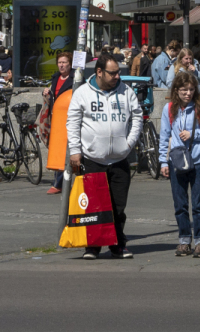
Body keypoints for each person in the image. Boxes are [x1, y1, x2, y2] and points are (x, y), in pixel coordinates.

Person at [66, 50, 142, 260]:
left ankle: (117, 245)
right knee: (94, 206)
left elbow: (137, 117)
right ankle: (93, 247)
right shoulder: (83, 93)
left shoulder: (126, 92)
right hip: (93, 159)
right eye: (113, 73)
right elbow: (72, 123)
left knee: (118, 206)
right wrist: (75, 151)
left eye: (118, 72)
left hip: (119, 159)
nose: (118, 76)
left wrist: (129, 143)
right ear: (99, 72)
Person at [159, 70, 200, 256]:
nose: (187, 93)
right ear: (176, 90)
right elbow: (164, 136)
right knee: (180, 204)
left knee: (198, 205)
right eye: (183, 90)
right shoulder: (169, 109)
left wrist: (194, 134)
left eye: (191, 89)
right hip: (177, 161)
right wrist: (162, 162)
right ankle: (184, 239)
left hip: (198, 160)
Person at [37, 52, 73, 193]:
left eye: (64, 62)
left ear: (70, 64)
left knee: (68, 149)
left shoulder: (75, 79)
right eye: (59, 62)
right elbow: (54, 96)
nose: (62, 65)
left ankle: (63, 183)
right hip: (56, 118)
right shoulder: (56, 77)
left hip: (69, 118)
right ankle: (58, 183)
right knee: (58, 149)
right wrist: (46, 93)